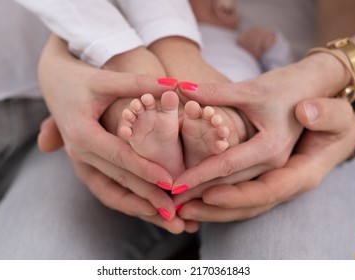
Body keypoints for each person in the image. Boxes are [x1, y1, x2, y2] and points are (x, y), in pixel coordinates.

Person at [0, 0, 355, 260]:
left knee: (232, 106)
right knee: (136, 102)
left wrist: (338, 87)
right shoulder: (152, 32)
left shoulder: (245, 37)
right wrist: (71, 56)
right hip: (141, 76)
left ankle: (215, 133)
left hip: (274, 105)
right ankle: (157, 138)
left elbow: (278, 68)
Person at [100, 0, 293, 191]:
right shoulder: (150, 35)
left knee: (234, 112)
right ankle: (165, 145)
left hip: (231, 89)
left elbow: (279, 81)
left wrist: (270, 43)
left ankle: (208, 137)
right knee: (149, 105)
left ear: (224, 8)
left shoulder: (237, 39)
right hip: (170, 94)